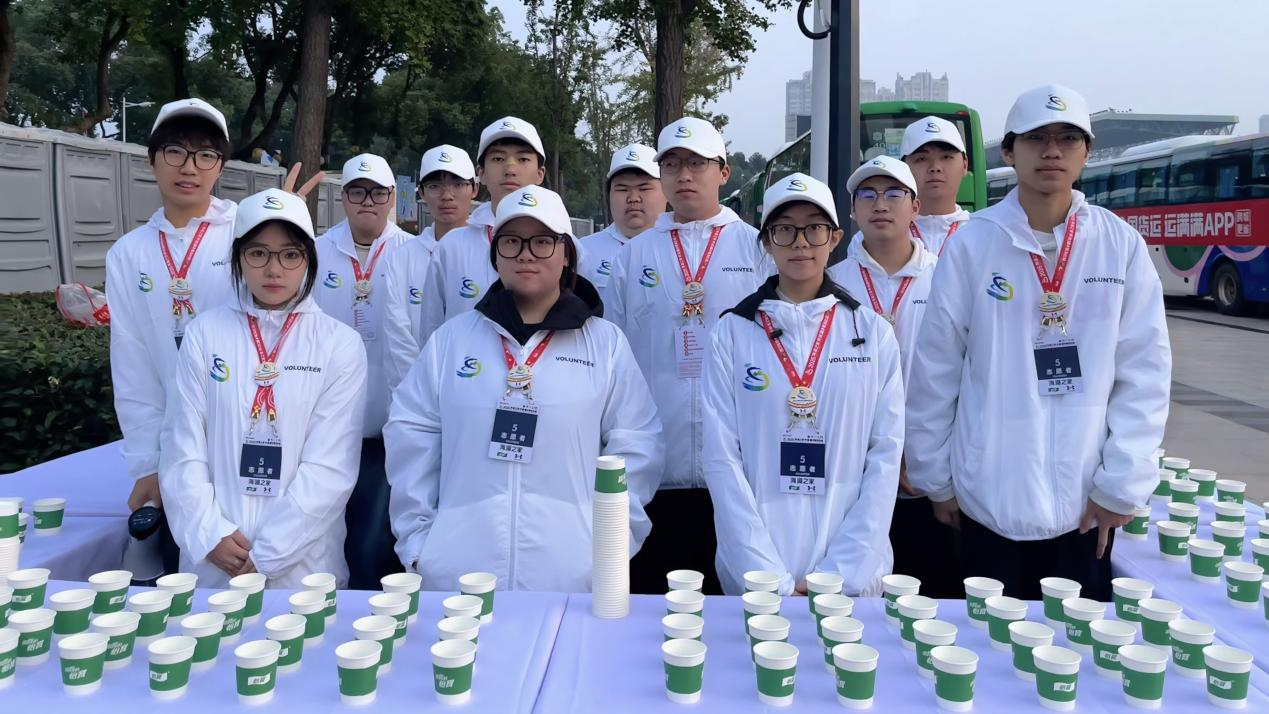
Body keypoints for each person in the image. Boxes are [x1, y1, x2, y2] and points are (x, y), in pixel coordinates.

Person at [905, 84, 1171, 601]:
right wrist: (937, 479)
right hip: (987, 498)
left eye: (1068, 139)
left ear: (1086, 153)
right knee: (989, 641)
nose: (1052, 151)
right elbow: (936, 370)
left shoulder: (1118, 245)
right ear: (1009, 151)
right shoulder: (973, 244)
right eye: (1036, 138)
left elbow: (1144, 372)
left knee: (1076, 644)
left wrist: (1121, 483)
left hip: (1085, 505)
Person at [384, 185, 663, 591]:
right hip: (458, 578)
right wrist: (420, 546)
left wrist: (608, 544)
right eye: (512, 241)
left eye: (542, 241)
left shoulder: (605, 345)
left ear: (566, 253)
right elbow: (411, 436)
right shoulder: (451, 341)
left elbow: (637, 445)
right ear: (496, 254)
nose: (526, 254)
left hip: (571, 576)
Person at [704, 173, 904, 596]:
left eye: (814, 228)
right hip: (756, 579)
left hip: (853, 576)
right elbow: (722, 459)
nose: (800, 243)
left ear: (835, 238)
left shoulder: (871, 333)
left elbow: (885, 457)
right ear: (766, 242)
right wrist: (764, 575)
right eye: (784, 230)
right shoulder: (732, 334)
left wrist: (840, 573)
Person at [160, 188, 367, 588]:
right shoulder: (204, 334)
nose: (274, 270)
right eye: (258, 253)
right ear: (238, 257)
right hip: (214, 565)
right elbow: (182, 446)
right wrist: (208, 535)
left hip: (303, 571)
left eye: (290, 254)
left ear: (309, 260)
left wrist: (267, 555)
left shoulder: (339, 344)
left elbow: (330, 467)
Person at [608, 116, 770, 594]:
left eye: (697, 164)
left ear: (723, 172)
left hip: (738, 468)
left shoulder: (757, 247)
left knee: (732, 605)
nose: (684, 175)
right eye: (672, 165)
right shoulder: (634, 255)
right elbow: (615, 358)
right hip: (657, 466)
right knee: (656, 603)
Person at [826, 156, 960, 597]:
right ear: (852, 211)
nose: (880, 204)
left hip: (929, 478)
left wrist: (927, 460)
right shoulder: (831, 285)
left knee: (929, 599)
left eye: (893, 194)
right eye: (867, 195)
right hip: (855, 475)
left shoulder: (946, 278)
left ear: (915, 207)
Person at [311, 153, 413, 588]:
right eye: (357, 192)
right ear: (343, 198)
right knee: (332, 527)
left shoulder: (413, 253)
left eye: (376, 193)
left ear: (392, 197)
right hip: (328, 421)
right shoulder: (316, 253)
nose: (367, 201)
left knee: (376, 536)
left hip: (391, 422)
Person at [420, 118, 546, 334]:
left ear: (540, 174)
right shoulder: (451, 247)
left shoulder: (565, 247)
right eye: (498, 158)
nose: (510, 169)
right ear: (481, 173)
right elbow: (432, 330)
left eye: (523, 159)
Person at [382, 145, 479, 394]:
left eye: (458, 184)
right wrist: (421, 390)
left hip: (474, 386)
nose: (447, 195)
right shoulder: (403, 256)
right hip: (415, 390)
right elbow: (397, 335)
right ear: (422, 192)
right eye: (435, 186)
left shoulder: (490, 253)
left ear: (474, 189)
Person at [577, 144, 665, 291]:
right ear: (609, 195)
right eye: (622, 189)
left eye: (644, 188)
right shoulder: (583, 252)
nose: (633, 198)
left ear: (666, 191)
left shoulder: (683, 249)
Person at [900, 116, 972, 257]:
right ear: (903, 168)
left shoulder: (983, 232)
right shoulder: (880, 235)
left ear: (965, 164)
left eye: (946, 157)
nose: (935, 167)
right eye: (922, 158)